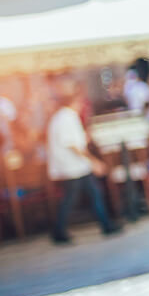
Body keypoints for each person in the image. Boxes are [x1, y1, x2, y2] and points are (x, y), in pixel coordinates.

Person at [46, 82, 118, 243]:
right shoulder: (66, 117)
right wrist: (93, 162)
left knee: (92, 194)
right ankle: (59, 231)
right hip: (72, 166)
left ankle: (106, 225)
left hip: (76, 166)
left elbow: (74, 141)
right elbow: (72, 145)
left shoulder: (64, 117)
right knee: (74, 198)